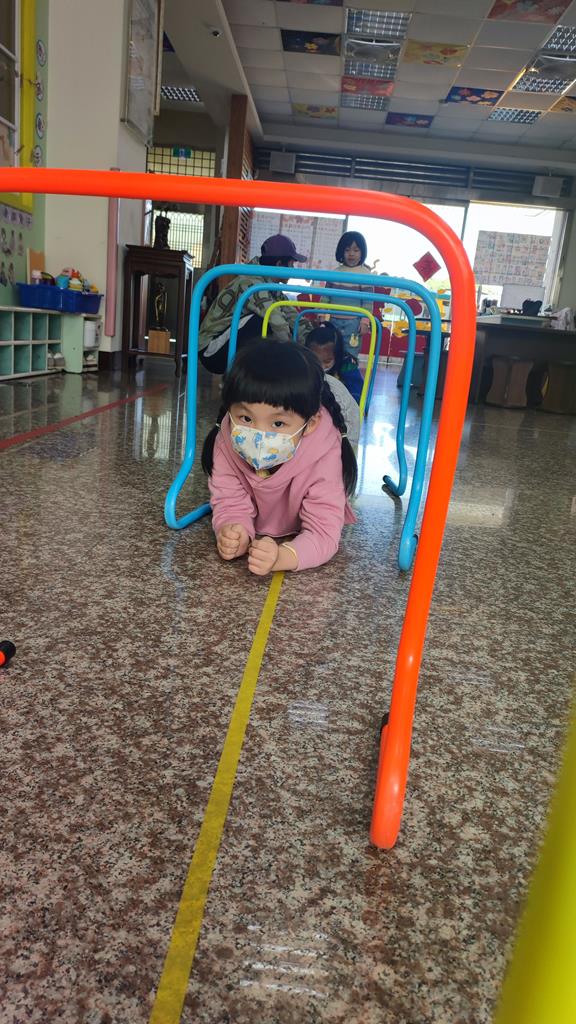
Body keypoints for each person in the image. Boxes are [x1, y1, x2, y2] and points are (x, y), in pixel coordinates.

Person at [201, 341, 357, 574]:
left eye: (278, 424)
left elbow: (324, 532)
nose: (259, 435)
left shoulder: (324, 452)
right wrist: (233, 531)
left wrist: (284, 557)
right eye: (246, 418)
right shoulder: (227, 437)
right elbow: (229, 501)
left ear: (310, 424)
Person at [199, 234, 311, 374]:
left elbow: (291, 314)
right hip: (210, 351)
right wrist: (295, 358)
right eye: (291, 264)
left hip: (226, 342)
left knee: (280, 323)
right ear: (279, 264)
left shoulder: (271, 286)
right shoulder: (251, 282)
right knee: (264, 321)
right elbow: (276, 319)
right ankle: (245, 377)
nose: (293, 269)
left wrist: (311, 339)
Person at [330, 230, 375, 355]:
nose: (351, 254)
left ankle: (349, 367)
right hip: (333, 320)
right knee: (332, 352)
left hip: (354, 322)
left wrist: (365, 321)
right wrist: (322, 314)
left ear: (362, 253)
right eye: (347, 250)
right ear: (341, 251)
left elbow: (368, 302)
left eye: (356, 250)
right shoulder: (335, 273)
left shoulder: (365, 274)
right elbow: (326, 296)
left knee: (351, 353)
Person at [305, 322, 364, 405]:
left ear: (338, 355)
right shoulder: (305, 365)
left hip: (341, 407)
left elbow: (357, 394)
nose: (321, 366)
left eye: (327, 361)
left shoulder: (347, 366)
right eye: (316, 361)